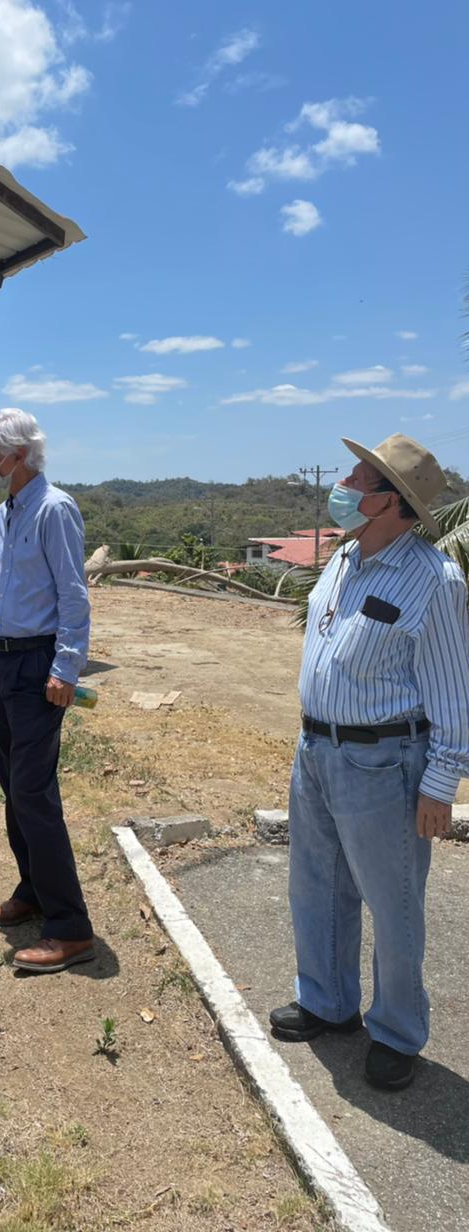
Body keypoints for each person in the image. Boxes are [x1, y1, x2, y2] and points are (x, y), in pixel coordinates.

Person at [270, 433, 469, 1090]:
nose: (345, 485)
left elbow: (453, 692)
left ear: (391, 501)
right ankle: (328, 1002)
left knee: (393, 902)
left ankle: (397, 1031)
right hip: (316, 752)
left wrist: (440, 784)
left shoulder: (434, 581)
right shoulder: (344, 558)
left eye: (359, 478)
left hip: (384, 763)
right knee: (317, 886)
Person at [0, 408, 94, 973]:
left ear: (19, 456)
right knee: (12, 784)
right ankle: (33, 889)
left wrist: (66, 668)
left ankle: (70, 928)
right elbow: (1, 574)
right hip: (2, 661)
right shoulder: (8, 510)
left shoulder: (54, 508)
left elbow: (73, 592)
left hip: (37, 664)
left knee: (32, 792)